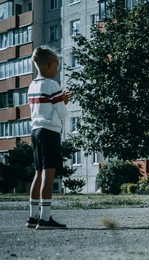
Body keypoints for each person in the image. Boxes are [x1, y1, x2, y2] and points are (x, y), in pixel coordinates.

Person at [27, 46, 71, 229]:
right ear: (51, 64)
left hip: (36, 131)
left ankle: (33, 216)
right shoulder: (52, 85)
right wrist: (64, 101)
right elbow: (62, 113)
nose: (57, 69)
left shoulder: (32, 85)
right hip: (49, 132)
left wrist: (59, 100)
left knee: (38, 173)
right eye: (57, 65)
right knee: (49, 173)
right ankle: (45, 219)